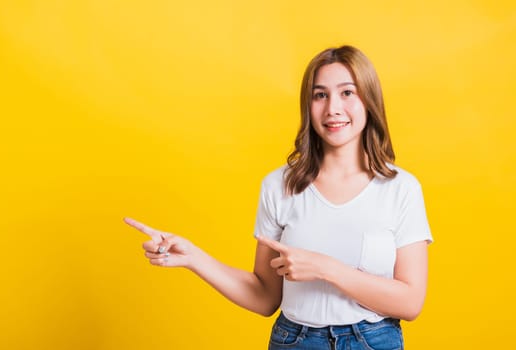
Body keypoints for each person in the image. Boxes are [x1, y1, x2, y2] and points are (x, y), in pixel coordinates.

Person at [124, 45, 432, 349]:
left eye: (347, 93)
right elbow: (265, 296)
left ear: (369, 100)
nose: (332, 108)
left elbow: (410, 302)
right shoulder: (280, 186)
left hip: (374, 342)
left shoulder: (401, 189)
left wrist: (326, 268)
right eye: (320, 95)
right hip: (296, 341)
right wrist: (192, 257)